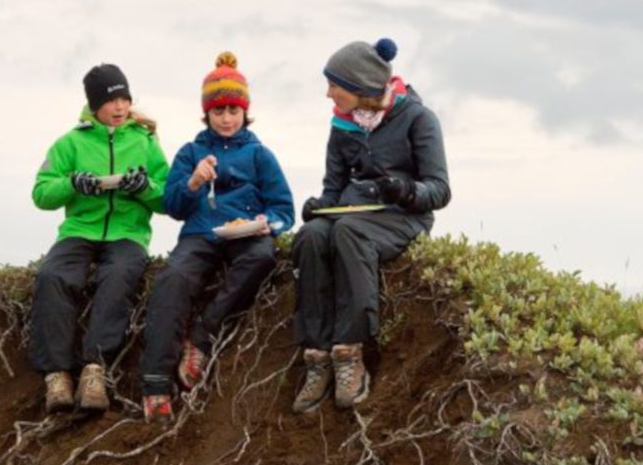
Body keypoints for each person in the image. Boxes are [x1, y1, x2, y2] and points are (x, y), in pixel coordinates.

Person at [292, 38, 450, 413]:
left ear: (360, 88)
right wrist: (320, 207)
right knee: (312, 236)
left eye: (334, 85)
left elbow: (440, 190)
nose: (327, 93)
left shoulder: (419, 119)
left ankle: (350, 353)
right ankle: (317, 357)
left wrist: (405, 190)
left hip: (402, 216)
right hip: (351, 211)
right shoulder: (342, 125)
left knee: (349, 233)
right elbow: (333, 189)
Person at [140, 52, 295, 422]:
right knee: (173, 280)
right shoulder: (191, 152)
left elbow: (284, 209)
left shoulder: (260, 155)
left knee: (261, 257)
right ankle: (156, 385)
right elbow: (173, 205)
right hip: (200, 234)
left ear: (245, 112)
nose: (226, 118)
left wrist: (266, 222)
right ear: (206, 113)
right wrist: (193, 182)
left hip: (246, 235)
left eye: (233, 111)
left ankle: (201, 338)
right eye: (218, 111)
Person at [30, 64, 169, 414]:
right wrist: (73, 183)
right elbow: (41, 194)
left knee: (119, 275)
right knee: (52, 277)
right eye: (111, 101)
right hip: (79, 230)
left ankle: (95, 371)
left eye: (125, 98)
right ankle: (57, 375)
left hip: (127, 233)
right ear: (94, 105)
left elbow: (169, 199)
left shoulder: (146, 142)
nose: (120, 107)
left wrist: (144, 188)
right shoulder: (69, 143)